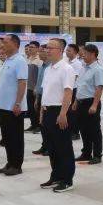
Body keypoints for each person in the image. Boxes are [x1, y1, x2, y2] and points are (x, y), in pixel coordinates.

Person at [40, 38, 77, 192]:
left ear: (60, 50)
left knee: (63, 147)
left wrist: (63, 114)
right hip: (48, 111)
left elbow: (68, 92)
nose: (47, 50)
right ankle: (56, 175)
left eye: (50, 48)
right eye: (46, 48)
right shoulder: (49, 69)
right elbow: (45, 92)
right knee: (52, 146)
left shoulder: (66, 69)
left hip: (59, 111)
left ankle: (67, 179)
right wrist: (42, 112)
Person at [0, 34, 28, 176]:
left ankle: (16, 165)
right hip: (4, 106)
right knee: (7, 136)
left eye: (5, 42)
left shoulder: (19, 60)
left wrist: (18, 103)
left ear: (14, 44)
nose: (1, 45)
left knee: (16, 137)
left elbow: (22, 82)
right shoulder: (7, 60)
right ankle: (10, 162)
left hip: (14, 106)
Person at [73, 44, 103, 165]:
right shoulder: (83, 67)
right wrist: (76, 101)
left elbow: (99, 88)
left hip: (91, 102)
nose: (82, 55)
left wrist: (94, 105)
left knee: (94, 130)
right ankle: (86, 153)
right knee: (83, 129)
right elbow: (80, 86)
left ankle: (97, 155)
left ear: (93, 54)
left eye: (85, 53)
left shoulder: (98, 69)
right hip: (81, 102)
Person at [32, 45, 51, 156]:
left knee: (48, 125)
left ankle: (49, 147)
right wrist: (37, 99)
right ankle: (44, 146)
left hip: (48, 100)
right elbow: (39, 84)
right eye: (39, 52)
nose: (39, 54)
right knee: (42, 125)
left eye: (41, 52)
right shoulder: (42, 66)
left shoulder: (50, 67)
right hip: (40, 98)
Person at [66, 43, 84, 140]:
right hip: (68, 89)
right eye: (67, 50)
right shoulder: (67, 62)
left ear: (75, 52)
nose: (67, 52)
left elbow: (75, 78)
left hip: (74, 89)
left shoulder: (77, 63)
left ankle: (75, 132)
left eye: (69, 50)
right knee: (68, 112)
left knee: (73, 112)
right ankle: (70, 130)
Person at [25, 41, 42, 132]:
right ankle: (33, 124)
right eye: (29, 47)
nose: (30, 49)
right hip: (29, 87)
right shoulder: (29, 58)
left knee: (37, 108)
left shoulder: (39, 59)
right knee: (30, 107)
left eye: (32, 47)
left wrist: (37, 87)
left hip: (36, 88)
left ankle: (38, 125)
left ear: (37, 48)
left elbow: (39, 76)